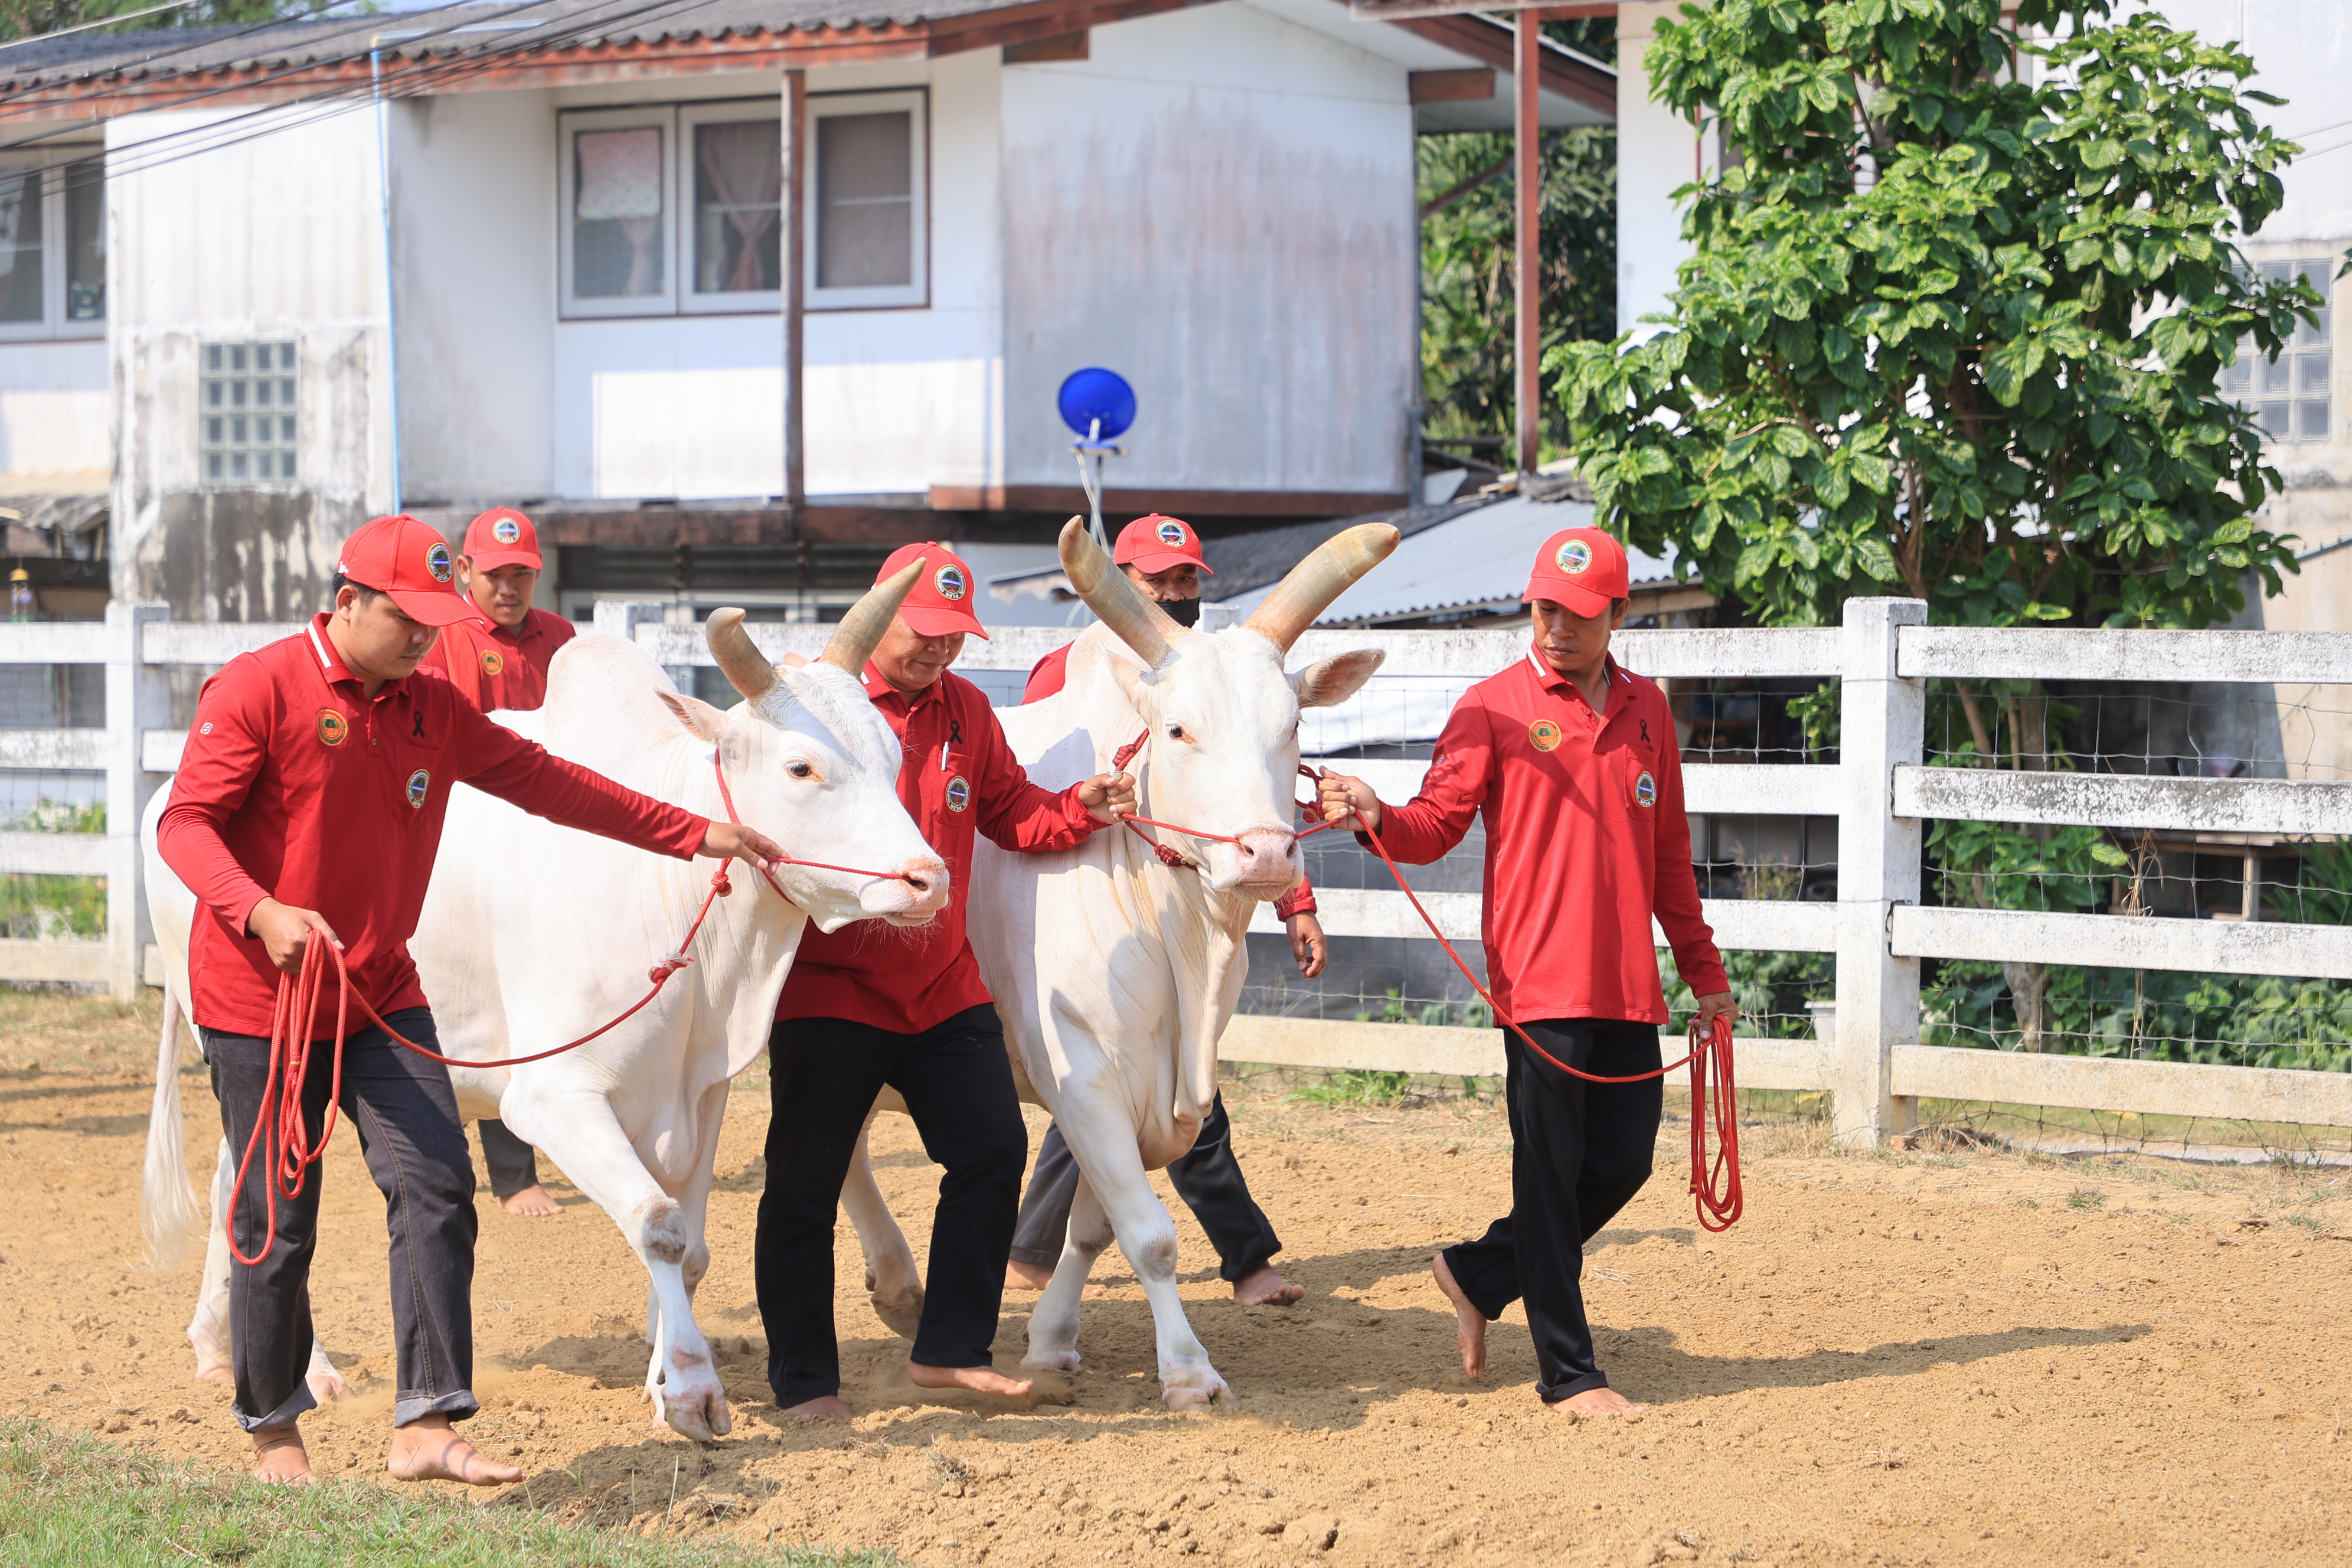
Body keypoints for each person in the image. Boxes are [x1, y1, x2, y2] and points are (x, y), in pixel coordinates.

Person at [158, 514, 786, 1485]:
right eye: (405, 616)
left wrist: (692, 834)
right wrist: (259, 909)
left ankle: (426, 1421)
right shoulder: (258, 687)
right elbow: (188, 825)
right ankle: (273, 1427)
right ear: (350, 600)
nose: (421, 635)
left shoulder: (430, 709)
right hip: (264, 996)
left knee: (438, 1185)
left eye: (431, 620)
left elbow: (548, 783)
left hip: (380, 989)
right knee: (278, 1216)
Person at [1315, 526, 1737, 1419]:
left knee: (1621, 1165)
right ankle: (1570, 1373)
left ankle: (1475, 1272)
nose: (1556, 627)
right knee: (1548, 1178)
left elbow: (1669, 860)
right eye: (1545, 608)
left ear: (1619, 614)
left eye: (1580, 614)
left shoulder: (1650, 713)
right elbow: (1435, 825)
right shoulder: (1491, 707)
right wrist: (1375, 812)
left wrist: (1705, 974)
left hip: (1628, 984)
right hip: (1538, 983)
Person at [754, 543, 1138, 1422]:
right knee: (805, 1185)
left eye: (955, 636)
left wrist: (1080, 806)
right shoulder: (813, 706)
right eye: (927, 632)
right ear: (879, 615)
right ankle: (806, 1382)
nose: (941, 652)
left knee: (994, 1150)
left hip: (941, 983)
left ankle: (951, 1351)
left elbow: (1007, 811)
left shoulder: (965, 708)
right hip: (832, 984)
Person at [1008, 513, 1317, 1308]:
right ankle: (1244, 1261)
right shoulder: (1066, 670)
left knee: (1139, 1088)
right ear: (1128, 580)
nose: (1177, 593)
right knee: (1134, 1085)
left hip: (1193, 904)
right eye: (1159, 580)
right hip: (1097, 904)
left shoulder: (1223, 671)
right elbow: (1043, 768)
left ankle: (1037, 1258)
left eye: (1187, 579)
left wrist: (1297, 902)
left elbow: (1259, 792)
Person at [415, 506, 576, 1218]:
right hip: (474, 833)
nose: (509, 589)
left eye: (522, 575)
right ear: (466, 571)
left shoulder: (562, 641)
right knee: (491, 991)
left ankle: (564, 1129)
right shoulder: (443, 637)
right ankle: (513, 1175)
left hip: (553, 829)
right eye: (496, 574)